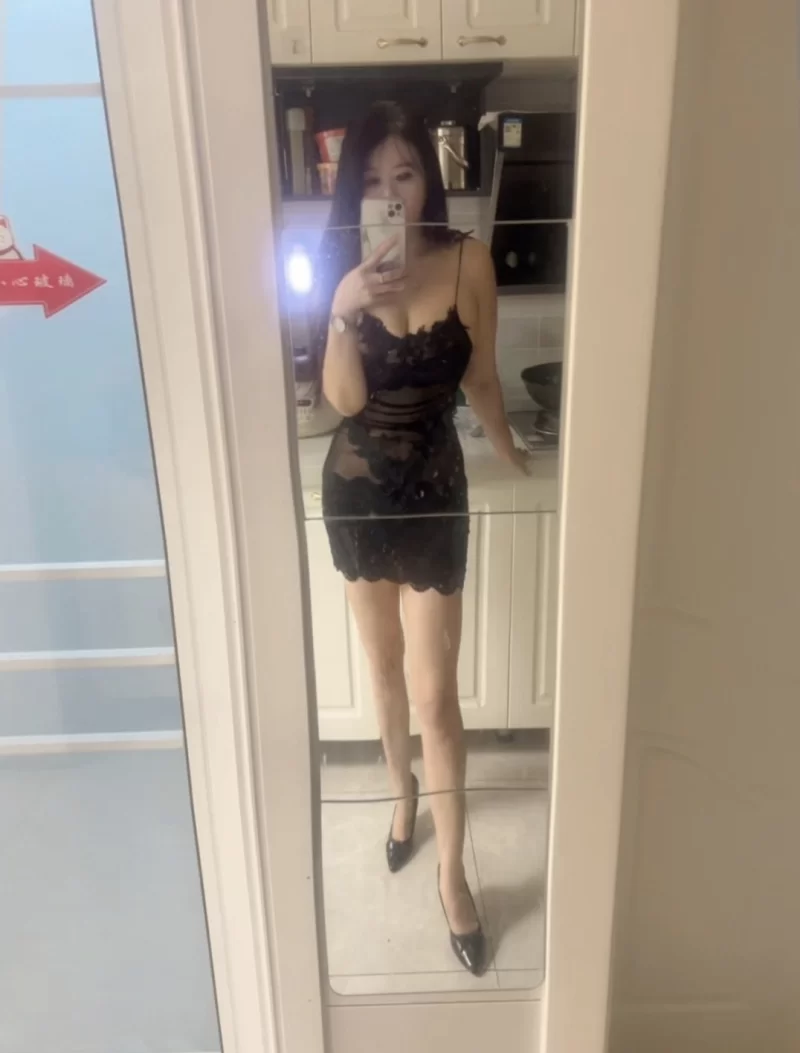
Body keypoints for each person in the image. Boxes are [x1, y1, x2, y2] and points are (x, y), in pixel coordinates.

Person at [316, 102, 527, 976]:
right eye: (372, 178)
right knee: (384, 670)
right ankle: (402, 797)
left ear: (428, 181)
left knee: (437, 696)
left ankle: (451, 876)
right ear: (354, 190)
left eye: (404, 173)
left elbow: (481, 377)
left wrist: (513, 450)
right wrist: (343, 308)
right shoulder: (341, 266)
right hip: (359, 488)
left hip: (436, 491)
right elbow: (345, 401)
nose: (391, 193)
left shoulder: (469, 260)